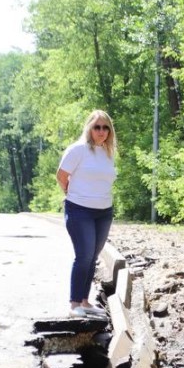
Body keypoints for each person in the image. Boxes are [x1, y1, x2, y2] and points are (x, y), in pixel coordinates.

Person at [56, 110, 118, 319]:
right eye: (97, 127)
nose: (101, 131)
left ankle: (85, 301)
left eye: (105, 127)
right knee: (83, 256)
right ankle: (74, 304)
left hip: (104, 212)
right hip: (79, 209)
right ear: (89, 128)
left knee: (92, 256)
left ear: (110, 131)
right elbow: (62, 175)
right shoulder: (78, 150)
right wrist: (69, 192)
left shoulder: (108, 153)